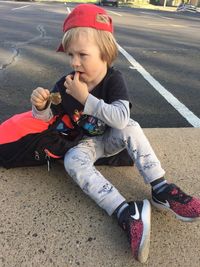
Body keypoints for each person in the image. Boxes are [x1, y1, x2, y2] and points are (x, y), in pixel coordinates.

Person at [30, 4, 200, 263]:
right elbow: (47, 119)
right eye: (70, 55)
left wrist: (86, 99)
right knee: (72, 161)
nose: (75, 62)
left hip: (111, 141)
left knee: (131, 127)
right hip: (85, 144)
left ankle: (160, 188)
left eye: (83, 55)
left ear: (105, 54)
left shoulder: (113, 79)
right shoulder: (66, 84)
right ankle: (125, 211)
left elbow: (121, 118)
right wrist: (40, 106)